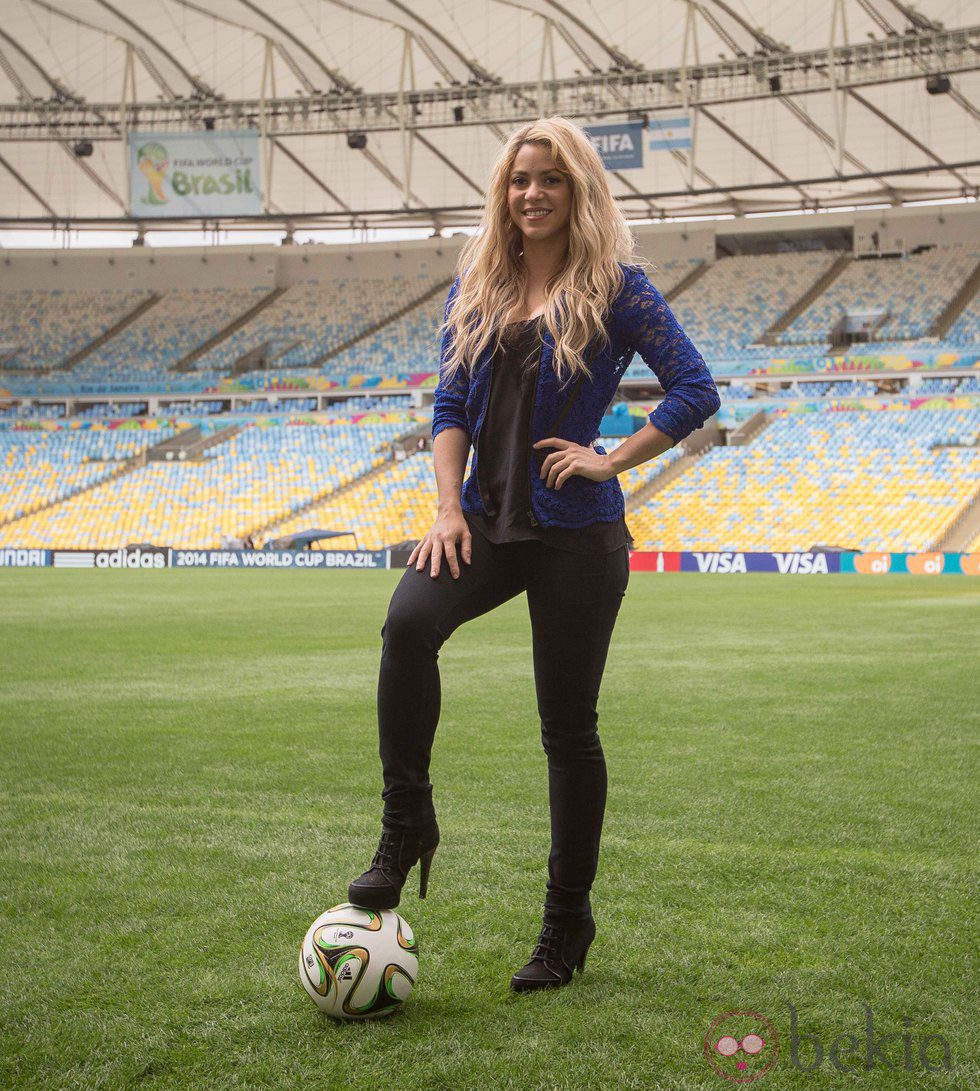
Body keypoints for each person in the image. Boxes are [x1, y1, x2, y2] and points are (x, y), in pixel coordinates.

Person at [347, 116, 721, 992]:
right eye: (521, 179)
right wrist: (445, 507)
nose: (533, 193)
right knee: (407, 625)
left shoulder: (618, 287)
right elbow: (447, 407)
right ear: (503, 192)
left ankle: (565, 922)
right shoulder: (475, 285)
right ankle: (407, 825)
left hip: (576, 535)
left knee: (567, 729)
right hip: (482, 521)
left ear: (578, 188)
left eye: (551, 179)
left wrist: (611, 456)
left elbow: (696, 387)